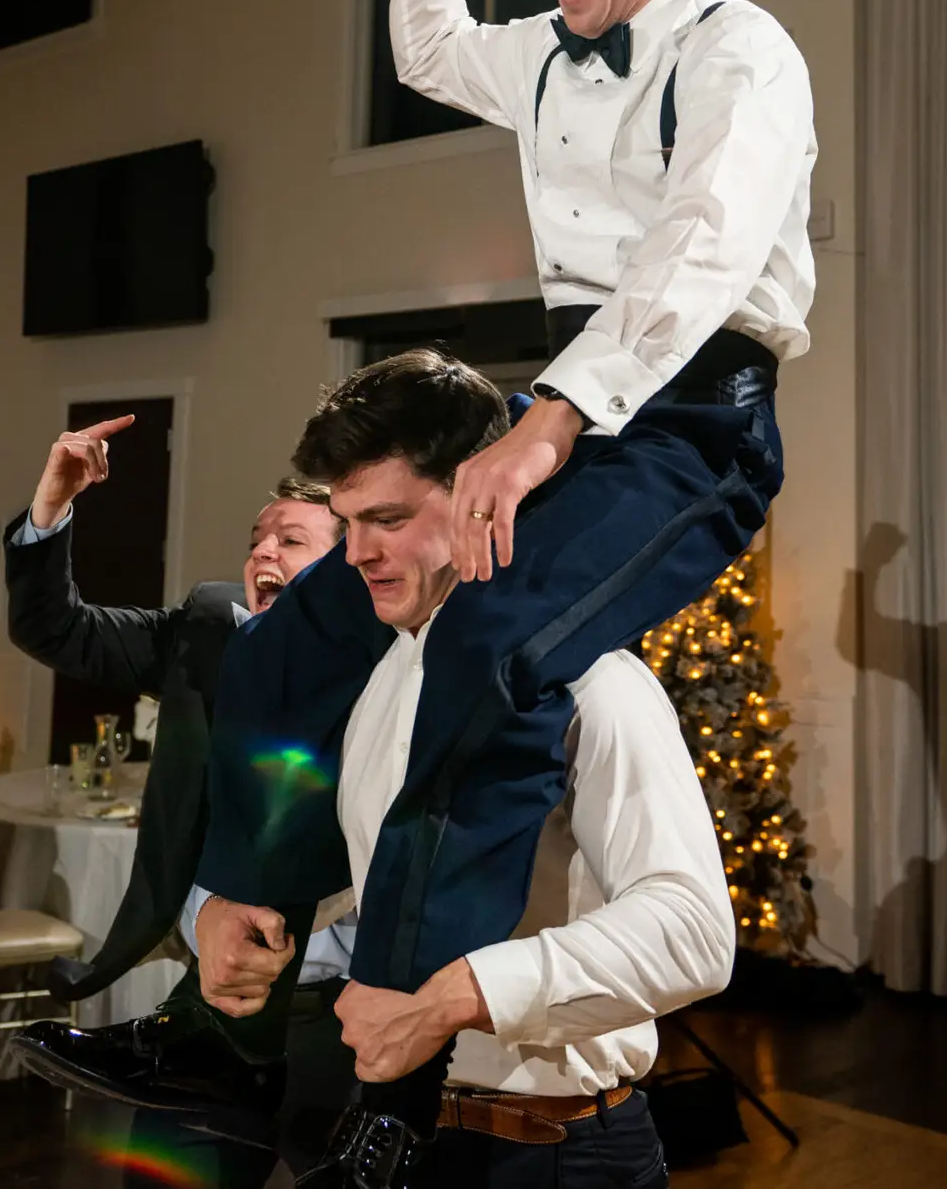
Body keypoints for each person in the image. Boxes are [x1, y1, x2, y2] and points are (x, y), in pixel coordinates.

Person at [194, 0, 810, 1175]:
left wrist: (545, 420)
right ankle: (225, 987)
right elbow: (423, 48)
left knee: (485, 634)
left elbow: (702, 250)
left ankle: (392, 1090)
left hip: (691, 413)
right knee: (291, 639)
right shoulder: (537, 55)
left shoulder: (739, 49)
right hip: (584, 395)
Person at [205, 353, 730, 1186]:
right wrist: (254, 913)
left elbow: (695, 933)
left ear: (484, 497)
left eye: (389, 519)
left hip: (560, 1152)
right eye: (349, 523)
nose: (358, 556)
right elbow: (392, 866)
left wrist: (459, 995)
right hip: (403, 1141)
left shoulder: (600, 684)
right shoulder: (391, 673)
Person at [3, 415, 353, 1184]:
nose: (263, 549)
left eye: (292, 540)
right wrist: (52, 505)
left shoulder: (400, 663)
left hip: (350, 1018)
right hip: (211, 1012)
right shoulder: (211, 628)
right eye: (258, 537)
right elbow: (54, 628)